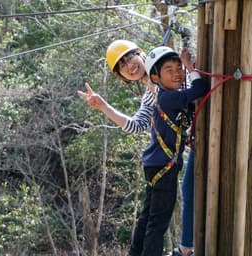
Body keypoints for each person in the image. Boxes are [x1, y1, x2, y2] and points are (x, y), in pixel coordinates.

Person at [78, 40, 195, 256]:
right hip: (164, 161)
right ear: (123, 77)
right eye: (123, 66)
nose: (129, 66)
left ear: (140, 54)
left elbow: (189, 82)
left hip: (165, 158)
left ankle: (184, 248)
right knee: (156, 218)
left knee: (152, 216)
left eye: (129, 58)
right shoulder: (150, 95)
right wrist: (104, 107)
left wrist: (187, 66)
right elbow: (136, 125)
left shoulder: (167, 69)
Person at [129, 46, 208, 256]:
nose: (177, 73)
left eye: (178, 68)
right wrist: (191, 67)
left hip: (157, 165)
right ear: (155, 78)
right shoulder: (167, 98)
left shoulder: (172, 97)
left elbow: (191, 103)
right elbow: (199, 89)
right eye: (169, 70)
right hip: (164, 167)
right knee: (158, 222)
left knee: (148, 217)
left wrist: (188, 69)